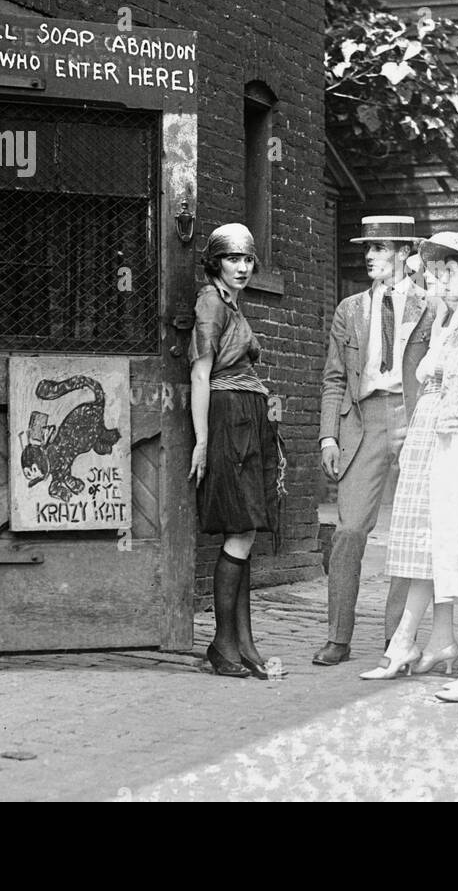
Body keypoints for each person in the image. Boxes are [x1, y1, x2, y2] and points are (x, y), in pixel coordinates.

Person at [361, 233, 458, 702]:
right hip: (449, 441)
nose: (441, 277)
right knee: (449, 549)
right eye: (441, 268)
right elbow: (430, 374)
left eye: (453, 269)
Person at [314, 216, 436, 666]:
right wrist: (329, 434)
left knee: (407, 533)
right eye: (367, 249)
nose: (369, 256)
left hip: (413, 418)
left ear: (404, 253)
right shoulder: (349, 309)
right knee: (348, 531)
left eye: (380, 248)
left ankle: (395, 640)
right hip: (360, 420)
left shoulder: (430, 304)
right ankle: (338, 637)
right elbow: (332, 378)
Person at [186, 223, 284, 679]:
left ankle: (243, 643)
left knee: (245, 529)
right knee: (240, 529)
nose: (242, 268)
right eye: (233, 259)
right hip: (228, 418)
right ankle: (222, 644)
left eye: (247, 260)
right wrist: (203, 440)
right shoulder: (210, 301)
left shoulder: (230, 303)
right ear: (216, 263)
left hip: (247, 415)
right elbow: (200, 374)